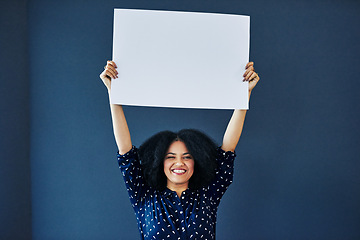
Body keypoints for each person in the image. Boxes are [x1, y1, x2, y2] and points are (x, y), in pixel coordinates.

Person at [100, 60, 260, 240]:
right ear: (159, 162)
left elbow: (228, 149)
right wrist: (114, 93)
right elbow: (125, 151)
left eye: (187, 156)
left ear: (196, 161)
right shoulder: (144, 196)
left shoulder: (207, 196)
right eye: (170, 157)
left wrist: (243, 94)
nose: (179, 163)